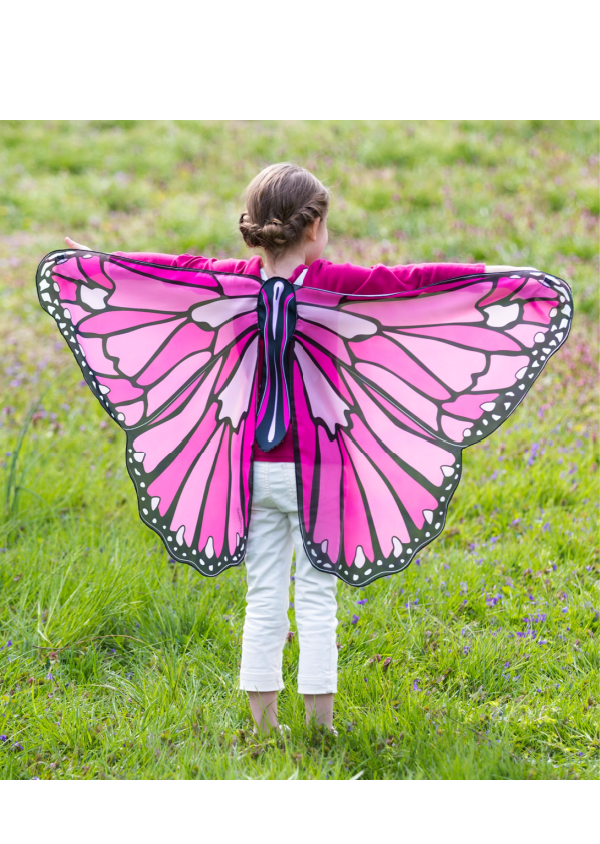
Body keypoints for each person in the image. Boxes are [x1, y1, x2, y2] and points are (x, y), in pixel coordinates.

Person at [64, 162, 531, 736]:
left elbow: (169, 273)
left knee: (262, 599)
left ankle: (263, 729)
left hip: (252, 471)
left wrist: (100, 263)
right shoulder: (336, 283)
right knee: (317, 601)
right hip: (324, 473)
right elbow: (413, 282)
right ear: (314, 229)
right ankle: (322, 727)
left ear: (257, 227)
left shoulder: (232, 281)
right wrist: (498, 275)